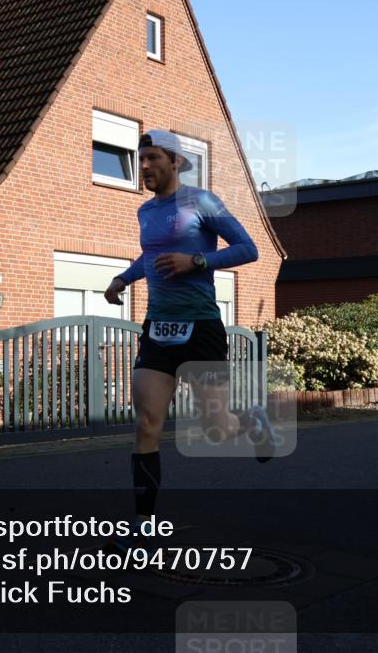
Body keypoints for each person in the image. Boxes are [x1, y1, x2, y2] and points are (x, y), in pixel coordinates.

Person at [102, 130, 276, 537]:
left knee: (216, 428)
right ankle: (143, 525)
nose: (143, 166)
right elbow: (148, 257)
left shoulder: (203, 202)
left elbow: (249, 249)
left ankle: (251, 420)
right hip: (158, 326)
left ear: (176, 162)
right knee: (147, 423)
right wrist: (122, 279)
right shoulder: (145, 212)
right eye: (140, 158)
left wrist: (197, 260)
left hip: (201, 326)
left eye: (152, 159)